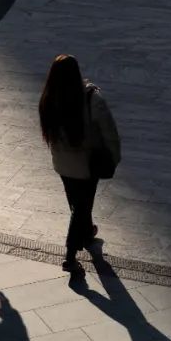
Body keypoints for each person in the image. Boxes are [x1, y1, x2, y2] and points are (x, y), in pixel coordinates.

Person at [38, 54, 121, 274]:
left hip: (62, 164)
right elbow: (110, 132)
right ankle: (70, 257)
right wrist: (114, 157)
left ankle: (86, 234)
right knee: (81, 207)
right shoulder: (91, 98)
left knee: (77, 202)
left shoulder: (48, 98)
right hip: (86, 164)